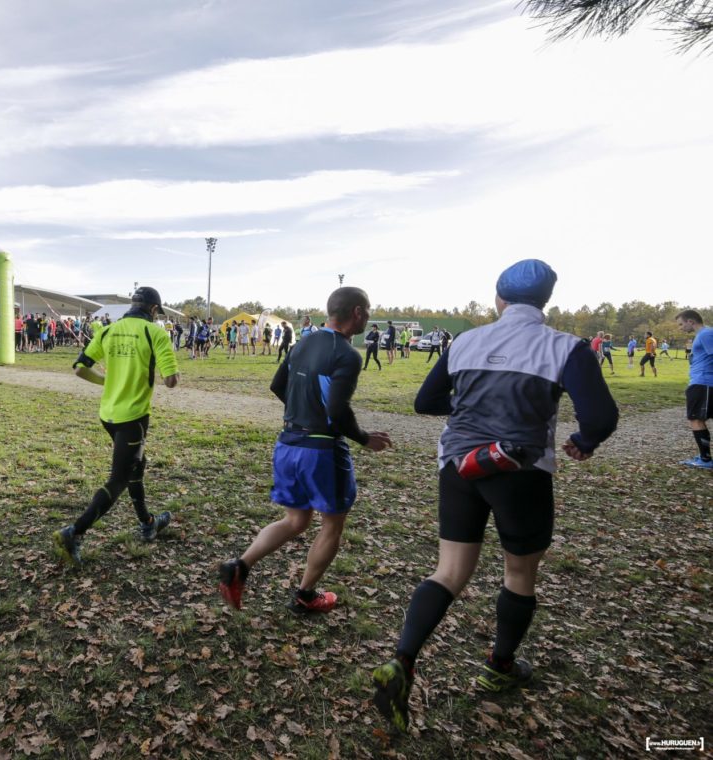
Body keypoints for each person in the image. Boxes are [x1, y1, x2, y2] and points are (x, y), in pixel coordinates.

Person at [371, 259, 618, 733]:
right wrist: (584, 443)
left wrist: (466, 403)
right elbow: (602, 417)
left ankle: (401, 661)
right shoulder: (566, 348)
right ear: (545, 301)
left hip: (459, 465)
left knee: (448, 571)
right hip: (521, 470)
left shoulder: (465, 341)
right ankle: (499, 668)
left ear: (498, 299)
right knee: (519, 571)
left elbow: (425, 402)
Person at [218, 287, 392, 614]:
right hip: (322, 452)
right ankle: (305, 595)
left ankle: (239, 566)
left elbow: (276, 385)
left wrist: (304, 411)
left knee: (296, 520)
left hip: (287, 444)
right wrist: (364, 438)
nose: (369, 317)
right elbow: (338, 412)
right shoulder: (347, 355)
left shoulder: (302, 343)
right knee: (332, 524)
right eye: (367, 311)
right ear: (356, 312)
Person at [55, 287, 180, 566]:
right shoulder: (156, 333)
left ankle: (148, 522)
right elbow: (171, 381)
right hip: (133, 416)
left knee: (136, 465)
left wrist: (107, 382)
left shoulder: (108, 331)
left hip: (108, 414)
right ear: (154, 310)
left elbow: (79, 368)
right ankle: (75, 532)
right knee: (120, 478)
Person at [676, 309, 712, 469]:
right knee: (697, 418)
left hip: (703, 382)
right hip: (701, 381)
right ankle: (705, 458)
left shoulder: (705, 334)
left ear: (691, 321)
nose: (680, 327)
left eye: (681, 324)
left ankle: (705, 460)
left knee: (696, 419)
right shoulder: (702, 335)